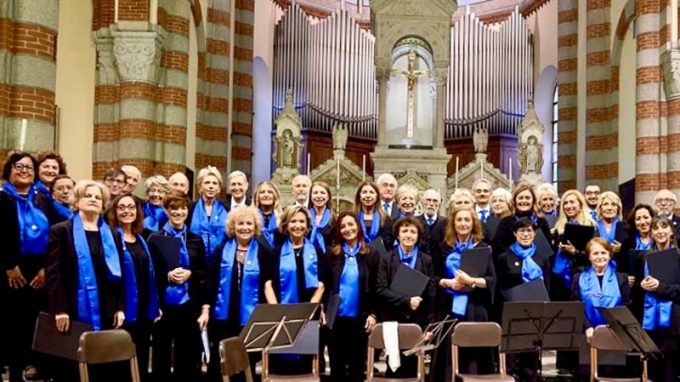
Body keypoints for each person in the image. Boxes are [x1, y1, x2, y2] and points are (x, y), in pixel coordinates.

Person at [45, 180, 125, 382]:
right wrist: (59, 309)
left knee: (101, 366)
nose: (93, 200)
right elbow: (54, 273)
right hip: (72, 309)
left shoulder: (113, 234)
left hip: (105, 309)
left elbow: (119, 274)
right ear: (77, 200)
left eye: (98, 197)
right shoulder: (61, 230)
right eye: (88, 195)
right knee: (71, 367)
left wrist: (119, 307)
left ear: (103, 204)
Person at [148, 191, 209, 382]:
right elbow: (151, 274)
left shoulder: (195, 239)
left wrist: (190, 273)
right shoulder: (154, 239)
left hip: (189, 305)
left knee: (188, 357)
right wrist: (167, 275)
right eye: (173, 208)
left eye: (183, 208)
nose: (178, 212)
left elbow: (203, 272)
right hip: (164, 307)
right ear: (166, 210)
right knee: (161, 357)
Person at [0, 152, 51, 382]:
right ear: (9, 170)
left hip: (38, 271)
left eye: (30, 167)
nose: (24, 170)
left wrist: (45, 268)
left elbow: (56, 236)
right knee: (8, 324)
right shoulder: (1, 198)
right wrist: (8, 265)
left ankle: (24, 369)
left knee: (30, 324)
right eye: (18, 166)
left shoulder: (43, 199)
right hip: (7, 271)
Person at [430, 206, 496, 381]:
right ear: (453, 223)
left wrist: (470, 281)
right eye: (459, 220)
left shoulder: (483, 248)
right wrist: (448, 282)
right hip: (448, 309)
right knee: (447, 355)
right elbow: (433, 278)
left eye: (467, 220)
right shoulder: (443, 247)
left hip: (475, 308)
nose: (463, 223)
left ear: (473, 223)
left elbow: (491, 280)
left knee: (474, 355)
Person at [208, 206, 270, 382]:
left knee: (247, 360)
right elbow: (211, 282)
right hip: (224, 314)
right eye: (240, 224)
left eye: (249, 224)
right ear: (232, 226)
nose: (245, 228)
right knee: (222, 358)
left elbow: (268, 283)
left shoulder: (264, 251)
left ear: (255, 226)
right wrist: (206, 308)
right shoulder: (222, 250)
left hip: (252, 315)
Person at [263, 205, 326, 374]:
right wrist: (277, 311)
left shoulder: (317, 251)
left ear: (307, 226)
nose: (297, 225)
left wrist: (309, 310)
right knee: (281, 366)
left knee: (307, 367)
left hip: (309, 314)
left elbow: (321, 284)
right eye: (293, 221)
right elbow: (268, 283)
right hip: (281, 315)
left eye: (301, 221)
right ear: (286, 225)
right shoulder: (275, 252)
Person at [107, 194, 160, 382]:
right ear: (114, 211)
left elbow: (149, 273)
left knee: (142, 355)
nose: (126, 211)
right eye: (121, 207)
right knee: (122, 360)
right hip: (125, 309)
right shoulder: (110, 238)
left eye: (131, 207)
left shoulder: (141, 238)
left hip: (145, 309)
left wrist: (156, 305)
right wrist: (117, 307)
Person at [376, 216, 435, 378]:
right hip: (392, 319)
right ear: (397, 235)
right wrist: (407, 301)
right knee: (393, 367)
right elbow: (380, 289)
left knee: (414, 368)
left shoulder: (426, 260)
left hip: (418, 319)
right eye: (404, 231)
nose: (408, 235)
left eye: (413, 232)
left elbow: (431, 295)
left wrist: (429, 325)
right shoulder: (387, 259)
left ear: (418, 236)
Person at [326, 212, 379, 382]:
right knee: (337, 367)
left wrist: (373, 313)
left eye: (351, 224)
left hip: (360, 318)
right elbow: (325, 285)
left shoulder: (371, 254)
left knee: (357, 367)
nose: (347, 229)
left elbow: (376, 287)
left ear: (358, 226)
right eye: (343, 226)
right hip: (335, 319)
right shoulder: (332, 254)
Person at [497, 218, 551, 381]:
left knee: (531, 362)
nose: (526, 234)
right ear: (515, 233)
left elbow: (547, 286)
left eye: (529, 231)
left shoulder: (542, 258)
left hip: (534, 315)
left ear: (535, 233)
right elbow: (500, 287)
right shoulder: (504, 257)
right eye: (522, 231)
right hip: (512, 314)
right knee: (512, 362)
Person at [571, 237, 631, 379]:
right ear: (589, 257)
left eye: (603, 253)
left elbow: (626, 306)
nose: (600, 257)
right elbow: (576, 306)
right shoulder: (577, 278)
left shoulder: (621, 278)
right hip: (587, 334)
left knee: (612, 375)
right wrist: (587, 327)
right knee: (586, 374)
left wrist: (613, 327)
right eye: (595, 253)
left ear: (610, 255)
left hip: (614, 334)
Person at [635, 215, 680, 381]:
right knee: (654, 371)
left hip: (673, 322)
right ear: (652, 233)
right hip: (650, 320)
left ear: (671, 232)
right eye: (656, 228)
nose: (660, 231)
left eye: (664, 227)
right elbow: (637, 288)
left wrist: (660, 287)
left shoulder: (678, 256)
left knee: (670, 371)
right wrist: (641, 285)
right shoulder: (644, 257)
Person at [551, 189, 597, 300]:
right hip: (559, 276)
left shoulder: (592, 226)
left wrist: (574, 252)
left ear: (580, 204)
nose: (568, 206)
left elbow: (594, 254)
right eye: (565, 203)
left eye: (572, 202)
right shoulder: (558, 228)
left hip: (581, 274)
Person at [491, 182, 551, 259]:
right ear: (515, 201)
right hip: (512, 266)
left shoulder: (541, 222)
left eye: (527, 198)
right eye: (520, 198)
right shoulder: (506, 222)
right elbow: (498, 249)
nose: (524, 201)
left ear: (533, 200)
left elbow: (548, 251)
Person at [620, 204, 656, 319]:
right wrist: (626, 277)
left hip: (656, 293)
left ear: (652, 219)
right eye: (638, 218)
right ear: (634, 222)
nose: (643, 222)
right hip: (635, 294)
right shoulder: (627, 243)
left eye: (646, 217)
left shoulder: (659, 240)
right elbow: (620, 269)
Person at [188, 166, 228, 268]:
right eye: (207, 183)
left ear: (219, 189)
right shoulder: (190, 208)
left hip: (219, 263)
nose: (211, 186)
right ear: (200, 187)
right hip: (195, 264)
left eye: (214, 183)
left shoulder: (226, 210)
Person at [594, 191, 628, 270]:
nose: (609, 208)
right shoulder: (593, 226)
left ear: (618, 208)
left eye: (613, 204)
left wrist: (622, 248)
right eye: (605, 204)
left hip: (619, 269)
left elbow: (631, 251)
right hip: (596, 268)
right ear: (600, 207)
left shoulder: (626, 227)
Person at [353, 181, 389, 250]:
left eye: (371, 192)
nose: (368, 196)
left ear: (377, 196)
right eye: (364, 192)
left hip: (378, 256)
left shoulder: (385, 218)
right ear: (359, 196)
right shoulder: (352, 217)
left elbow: (388, 243)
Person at [253, 181, 282, 250]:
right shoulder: (251, 218)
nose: (266, 195)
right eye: (262, 192)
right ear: (257, 196)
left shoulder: (282, 218)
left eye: (270, 192)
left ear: (275, 196)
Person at [308, 181, 335, 253]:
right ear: (310, 196)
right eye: (315, 193)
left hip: (328, 259)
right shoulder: (304, 217)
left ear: (328, 197)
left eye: (322, 193)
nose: (319, 196)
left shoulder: (334, 219)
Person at [417, 189, 446, 256]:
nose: (431, 204)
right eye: (428, 200)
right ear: (422, 202)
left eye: (435, 201)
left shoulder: (446, 223)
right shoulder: (415, 222)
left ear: (440, 204)